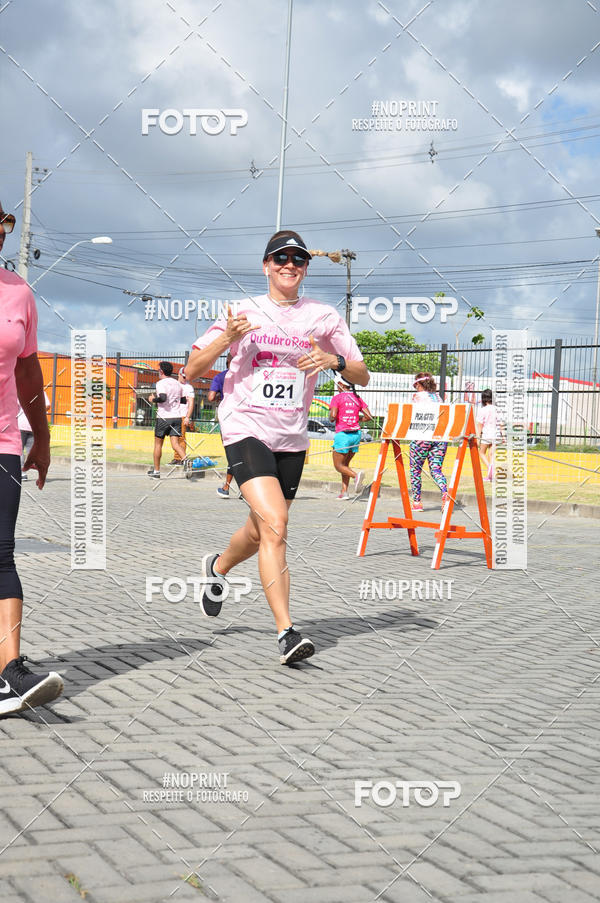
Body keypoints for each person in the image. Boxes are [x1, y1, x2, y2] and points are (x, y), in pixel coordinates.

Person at [186, 229, 368, 665]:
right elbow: (192, 368)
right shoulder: (242, 311)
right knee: (277, 522)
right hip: (245, 426)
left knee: (263, 528)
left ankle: (217, 569)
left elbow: (361, 375)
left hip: (292, 436)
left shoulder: (323, 317)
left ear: (305, 269)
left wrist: (335, 361)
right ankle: (287, 632)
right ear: (266, 265)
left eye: (298, 260)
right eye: (280, 258)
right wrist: (227, 338)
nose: (290, 265)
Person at [0, 201, 64, 717]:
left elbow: (27, 373)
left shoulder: (19, 292)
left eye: (1, 224)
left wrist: (40, 439)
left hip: (2, 442)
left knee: (1, 554)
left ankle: (10, 671)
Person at [409, 372, 449, 511]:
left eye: (416, 385)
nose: (415, 388)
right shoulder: (438, 397)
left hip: (422, 436)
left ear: (420, 384)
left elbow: (413, 414)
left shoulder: (418, 396)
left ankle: (417, 502)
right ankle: (445, 492)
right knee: (436, 469)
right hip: (439, 438)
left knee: (415, 470)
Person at [328, 376, 373, 500]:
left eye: (338, 384)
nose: (337, 387)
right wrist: (357, 419)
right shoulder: (357, 398)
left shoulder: (337, 398)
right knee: (345, 464)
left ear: (342, 384)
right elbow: (369, 416)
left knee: (338, 466)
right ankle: (344, 492)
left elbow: (332, 416)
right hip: (356, 435)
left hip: (343, 435)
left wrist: (331, 415)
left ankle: (356, 476)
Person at [147, 361, 186, 478]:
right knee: (175, 444)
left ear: (161, 371)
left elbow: (163, 398)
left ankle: (156, 472)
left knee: (158, 445)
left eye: (158, 370)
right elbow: (183, 400)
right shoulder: (178, 383)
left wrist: (153, 399)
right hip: (177, 417)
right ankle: (187, 462)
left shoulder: (160, 383)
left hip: (164, 418)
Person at [208, 354, 235, 498]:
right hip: (247, 416)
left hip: (228, 417)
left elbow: (211, 397)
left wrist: (219, 395)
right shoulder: (246, 376)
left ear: (226, 362)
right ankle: (246, 490)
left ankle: (226, 487)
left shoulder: (220, 377)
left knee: (232, 452)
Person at [17, 391, 50, 480]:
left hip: (20, 424)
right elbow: (47, 406)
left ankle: (22, 473)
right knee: (31, 451)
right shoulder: (40, 391)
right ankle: (40, 471)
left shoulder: (20, 392)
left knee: (19, 450)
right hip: (34, 425)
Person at [170, 368, 194, 464]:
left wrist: (188, 417)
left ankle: (181, 459)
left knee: (181, 437)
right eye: (183, 377)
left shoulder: (189, 387)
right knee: (174, 438)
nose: (185, 379)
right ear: (179, 374)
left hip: (183, 415)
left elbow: (191, 403)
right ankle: (176, 458)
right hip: (173, 415)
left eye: (186, 377)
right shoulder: (173, 385)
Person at [476, 388, 497, 482]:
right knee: (491, 454)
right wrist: (504, 436)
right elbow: (501, 423)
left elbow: (479, 425)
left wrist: (477, 438)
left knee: (481, 453)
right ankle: (491, 475)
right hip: (496, 435)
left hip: (486, 435)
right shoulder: (497, 409)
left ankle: (490, 469)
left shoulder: (482, 410)